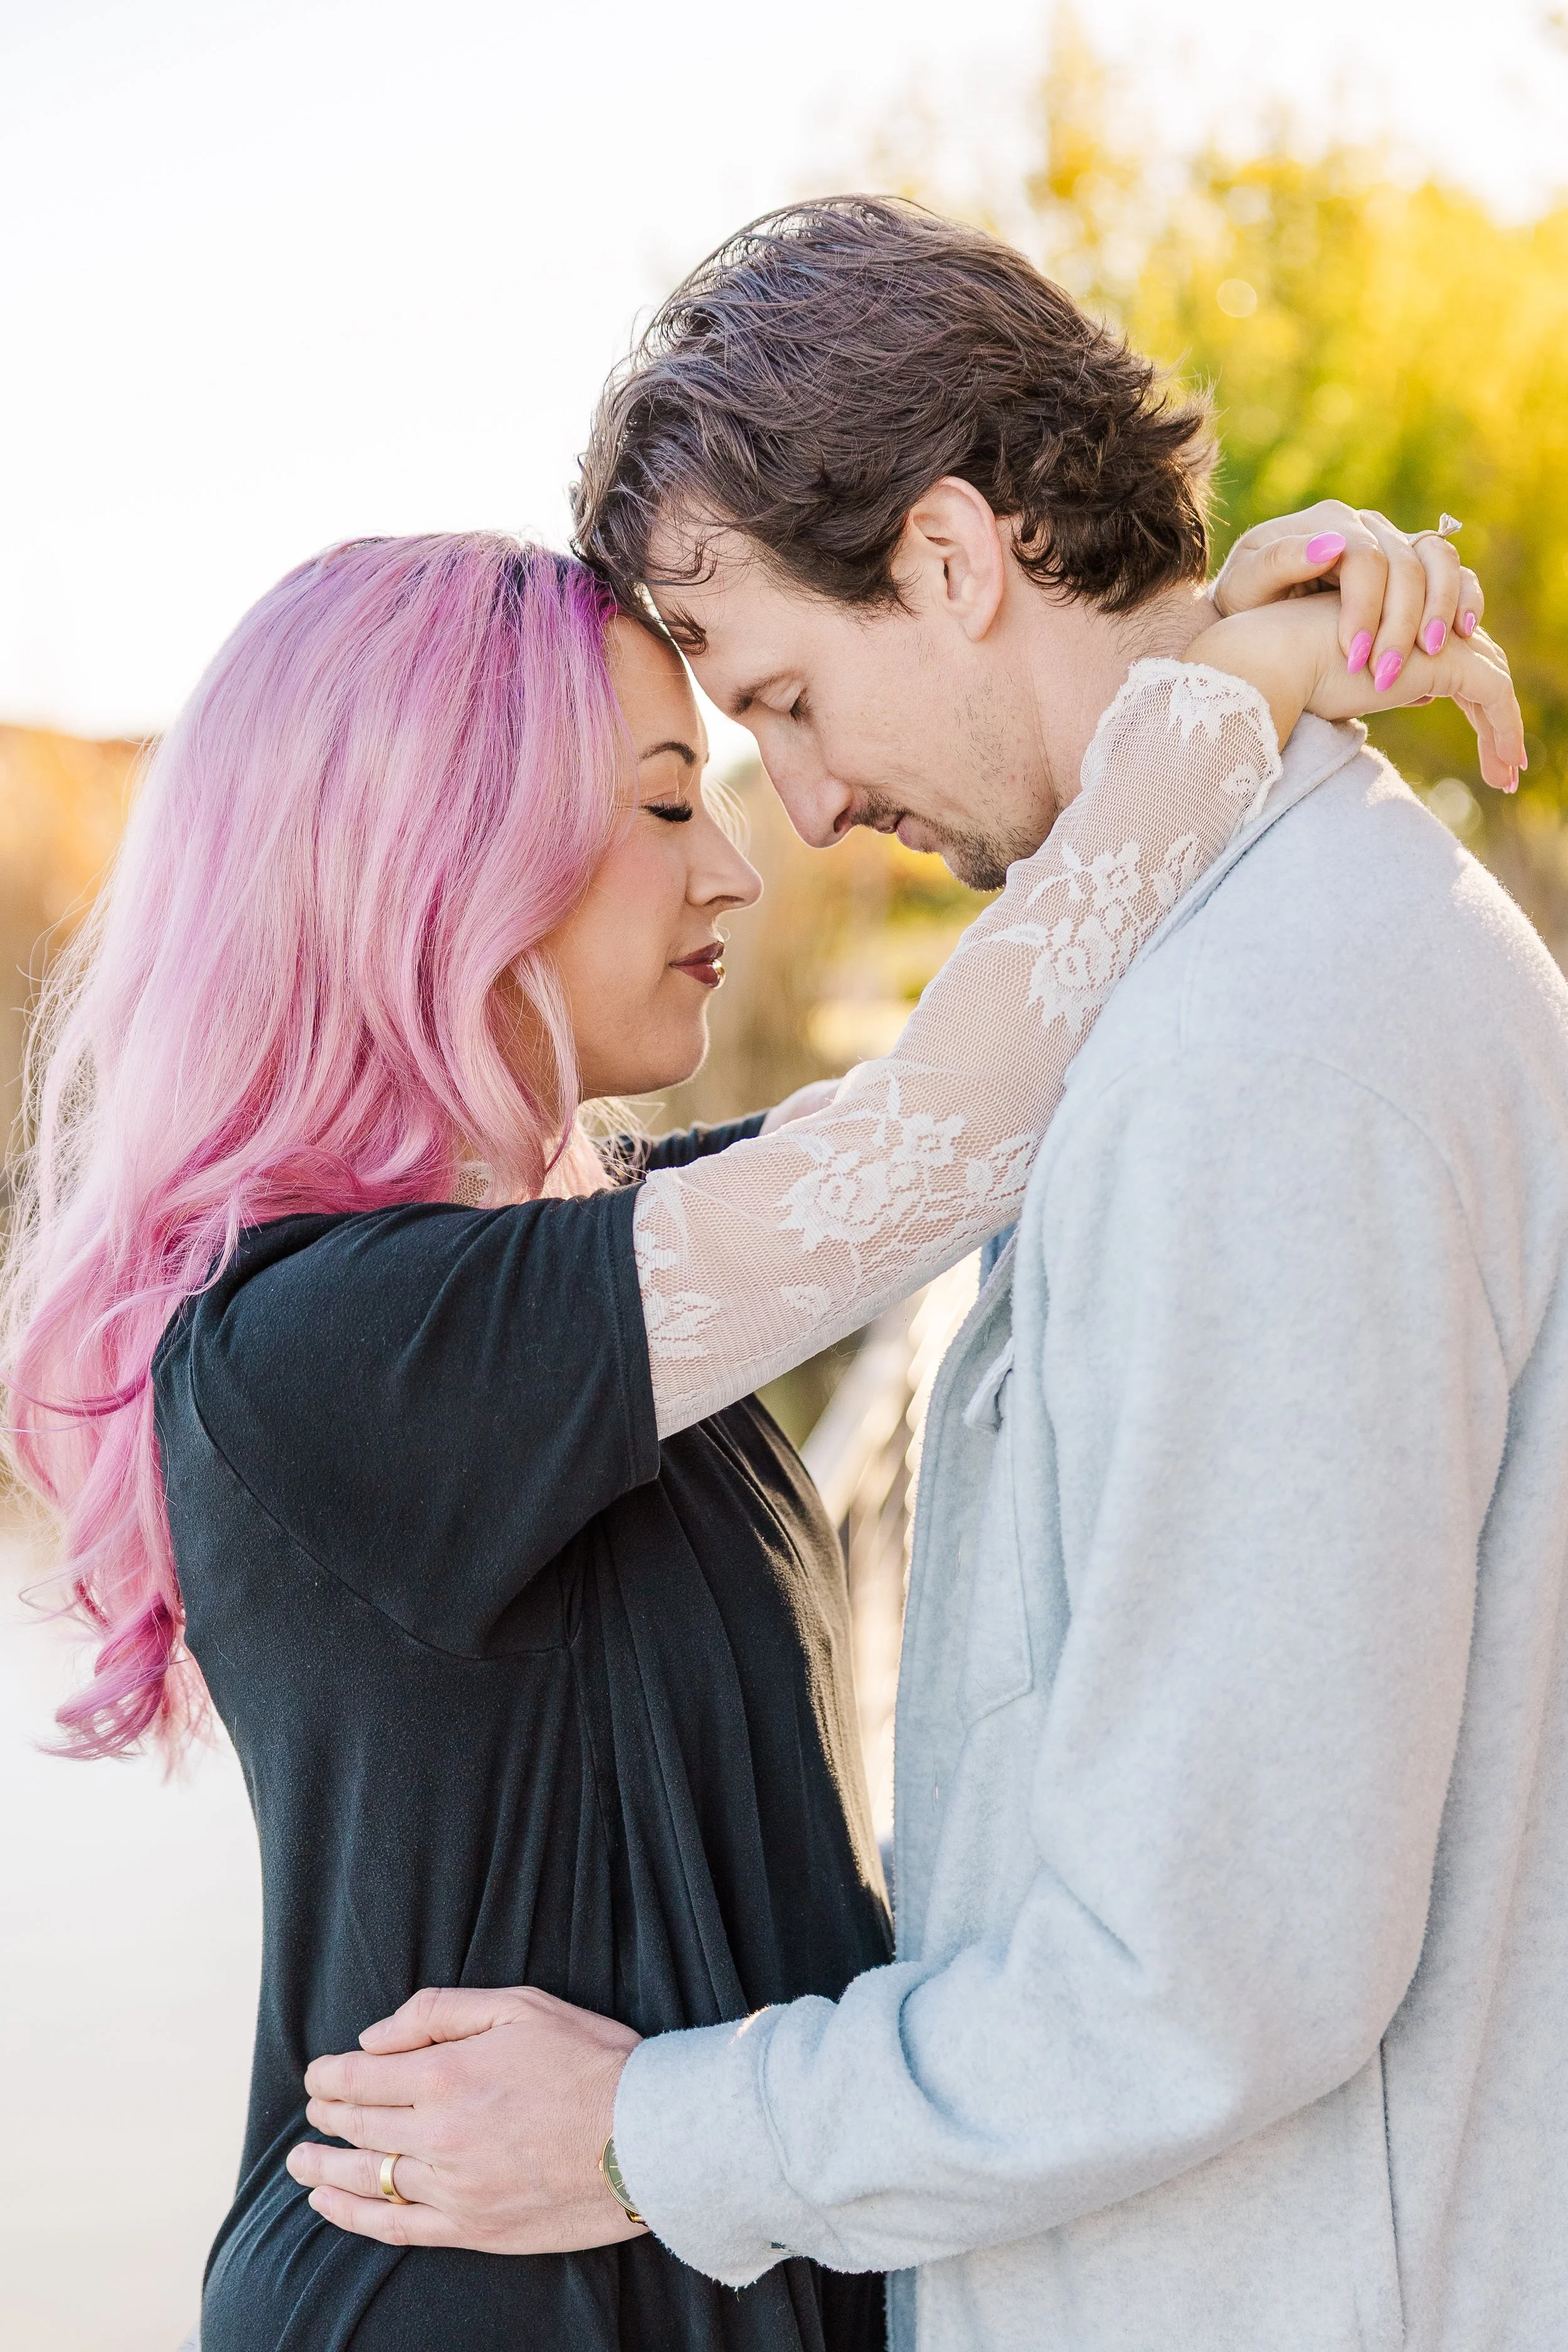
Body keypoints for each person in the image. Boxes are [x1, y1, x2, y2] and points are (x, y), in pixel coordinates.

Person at [287, 201, 1559, 2352]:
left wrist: (647, 2131)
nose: (800, 805)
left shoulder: (1256, 1050)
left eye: (783, 699)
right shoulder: (1212, 986)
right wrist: (1227, 679)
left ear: (955, 560)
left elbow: (1198, 1972)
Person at [6, 517, 1479, 2352]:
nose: (741, 868)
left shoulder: (592, 1283)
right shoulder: (325, 1346)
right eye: (663, 804)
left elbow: (991, 1080)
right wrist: (1216, 693)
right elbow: (949, 1122)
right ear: (435, 852)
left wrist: (1209, 612)